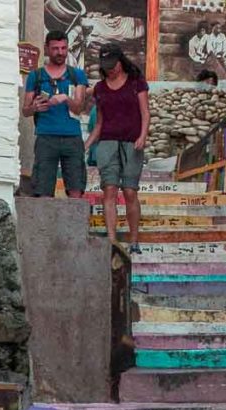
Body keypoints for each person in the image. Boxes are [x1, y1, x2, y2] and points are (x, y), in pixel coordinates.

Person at [85, 44, 150, 253]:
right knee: (110, 189)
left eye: (113, 65)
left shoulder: (136, 83)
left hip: (132, 142)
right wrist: (86, 145)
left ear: (121, 61)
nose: (110, 69)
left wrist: (142, 135)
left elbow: (145, 113)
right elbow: (99, 123)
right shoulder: (100, 88)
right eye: (107, 66)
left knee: (130, 191)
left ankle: (134, 240)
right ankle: (112, 240)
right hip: (107, 143)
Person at [23, 30, 89, 198]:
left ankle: (74, 224)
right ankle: (44, 224)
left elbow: (79, 108)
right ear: (47, 49)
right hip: (46, 137)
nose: (60, 53)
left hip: (72, 137)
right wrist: (35, 107)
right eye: (55, 49)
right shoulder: (36, 76)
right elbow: (25, 110)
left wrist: (65, 98)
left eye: (63, 48)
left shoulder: (77, 75)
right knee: (43, 189)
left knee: (76, 188)